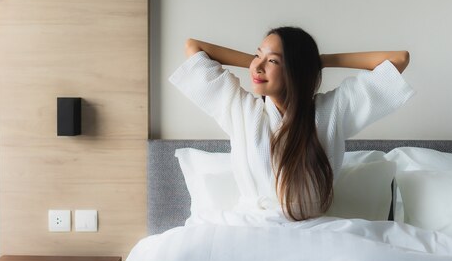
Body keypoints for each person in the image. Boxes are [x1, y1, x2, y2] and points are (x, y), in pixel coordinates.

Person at [169, 26, 414, 221]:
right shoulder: (240, 109)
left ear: (296, 70)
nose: (258, 66)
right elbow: (194, 47)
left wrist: (319, 61)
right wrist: (260, 62)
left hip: (315, 231)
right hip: (251, 227)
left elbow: (399, 58)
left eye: (273, 61)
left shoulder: (331, 112)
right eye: (257, 55)